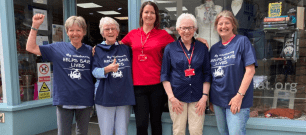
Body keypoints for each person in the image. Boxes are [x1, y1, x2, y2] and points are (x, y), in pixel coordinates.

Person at [26, 14, 94, 135]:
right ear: (67, 32)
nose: (75, 33)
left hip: (84, 99)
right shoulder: (57, 48)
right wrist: (35, 26)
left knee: (82, 132)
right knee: (63, 133)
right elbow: (31, 47)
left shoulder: (90, 50)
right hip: (64, 99)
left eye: (78, 30)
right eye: (71, 30)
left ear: (84, 32)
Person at [120, 2, 174, 134]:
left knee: (156, 123)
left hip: (157, 86)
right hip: (138, 86)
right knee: (141, 124)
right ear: (141, 15)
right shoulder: (133, 34)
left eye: (152, 12)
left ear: (156, 16)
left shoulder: (162, 35)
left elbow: (179, 47)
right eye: (146, 12)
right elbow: (117, 47)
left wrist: (197, 39)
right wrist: (99, 48)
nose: (149, 15)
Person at [161, 13, 211, 135]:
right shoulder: (170, 48)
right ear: (178, 29)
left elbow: (207, 74)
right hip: (177, 98)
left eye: (190, 27)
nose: (187, 31)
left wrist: (204, 97)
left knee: (196, 131)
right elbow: (165, 75)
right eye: (183, 28)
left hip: (198, 98)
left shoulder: (202, 47)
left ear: (195, 29)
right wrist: (171, 98)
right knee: (178, 131)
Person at [209, 10, 257, 135]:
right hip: (218, 101)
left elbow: (250, 70)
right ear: (216, 27)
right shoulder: (214, 49)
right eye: (220, 24)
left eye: (227, 23)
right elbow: (211, 75)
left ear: (233, 25)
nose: (223, 26)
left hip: (237, 100)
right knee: (223, 133)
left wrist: (239, 96)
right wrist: (210, 99)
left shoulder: (242, 41)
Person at [92, 17, 135, 135]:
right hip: (105, 96)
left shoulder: (126, 48)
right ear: (102, 33)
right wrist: (106, 70)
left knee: (122, 132)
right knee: (106, 132)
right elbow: (94, 71)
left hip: (124, 96)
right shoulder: (97, 50)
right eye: (107, 29)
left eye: (113, 29)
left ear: (117, 32)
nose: (110, 31)